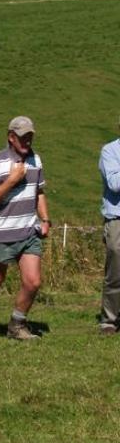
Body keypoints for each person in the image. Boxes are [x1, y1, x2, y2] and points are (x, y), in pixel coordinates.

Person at [0, 116, 50, 342]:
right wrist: (11, 180)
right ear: (11, 137)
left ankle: (17, 325)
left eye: (30, 136)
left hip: (29, 230)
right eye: (22, 137)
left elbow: (39, 192)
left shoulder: (36, 160)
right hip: (1, 232)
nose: (27, 140)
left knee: (33, 281)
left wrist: (45, 219)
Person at [98, 123, 120, 334]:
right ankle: (110, 319)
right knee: (116, 270)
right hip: (117, 218)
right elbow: (114, 183)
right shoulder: (110, 151)